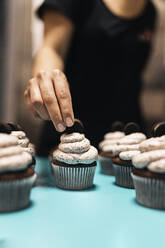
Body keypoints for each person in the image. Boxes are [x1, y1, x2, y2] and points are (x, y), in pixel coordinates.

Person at [24, 0, 156, 156]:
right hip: (69, 137)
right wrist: (46, 80)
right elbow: (52, 48)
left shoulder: (150, 11)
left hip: (128, 145)